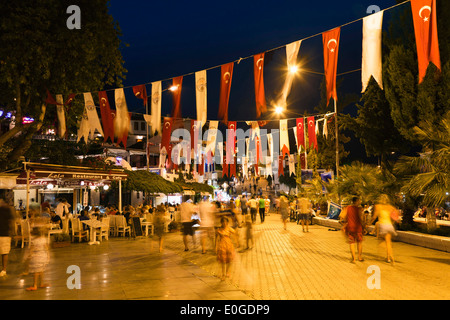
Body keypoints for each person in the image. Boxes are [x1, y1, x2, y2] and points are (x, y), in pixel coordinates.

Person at [371, 194, 401, 264]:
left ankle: (390, 256)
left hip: (383, 225)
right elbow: (396, 214)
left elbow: (374, 216)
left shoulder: (378, 206)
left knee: (381, 242)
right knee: (388, 242)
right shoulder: (390, 207)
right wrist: (393, 221)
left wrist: (369, 223)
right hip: (389, 225)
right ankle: (389, 257)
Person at [340, 196, 364, 263]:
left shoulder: (347, 208)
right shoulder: (359, 209)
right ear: (356, 201)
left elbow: (342, 216)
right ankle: (359, 257)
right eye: (359, 200)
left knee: (352, 243)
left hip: (350, 227)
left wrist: (346, 221)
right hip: (358, 227)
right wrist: (364, 227)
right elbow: (361, 219)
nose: (360, 202)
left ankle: (353, 259)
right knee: (359, 243)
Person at [25, 226, 50, 291]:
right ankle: (41, 283)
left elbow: (32, 250)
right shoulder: (43, 239)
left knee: (36, 272)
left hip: (36, 257)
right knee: (41, 270)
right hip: (43, 256)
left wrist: (29, 256)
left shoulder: (34, 241)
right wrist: (48, 255)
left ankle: (35, 285)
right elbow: (47, 248)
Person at [216, 216, 236, 280]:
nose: (224, 223)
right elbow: (217, 239)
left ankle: (227, 271)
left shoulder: (229, 229)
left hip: (229, 245)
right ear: (221, 223)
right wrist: (216, 247)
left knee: (229, 260)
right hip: (222, 246)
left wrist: (237, 241)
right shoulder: (219, 230)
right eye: (223, 222)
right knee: (223, 261)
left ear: (227, 222)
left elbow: (235, 233)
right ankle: (223, 274)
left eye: (225, 222)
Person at [0, 199, 15, 277]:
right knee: (4, 252)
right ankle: (3, 269)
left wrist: (12, 232)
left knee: (4, 252)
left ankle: (4, 269)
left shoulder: (7, 210)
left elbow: (11, 221)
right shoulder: (8, 209)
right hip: (5, 233)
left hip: (5, 233)